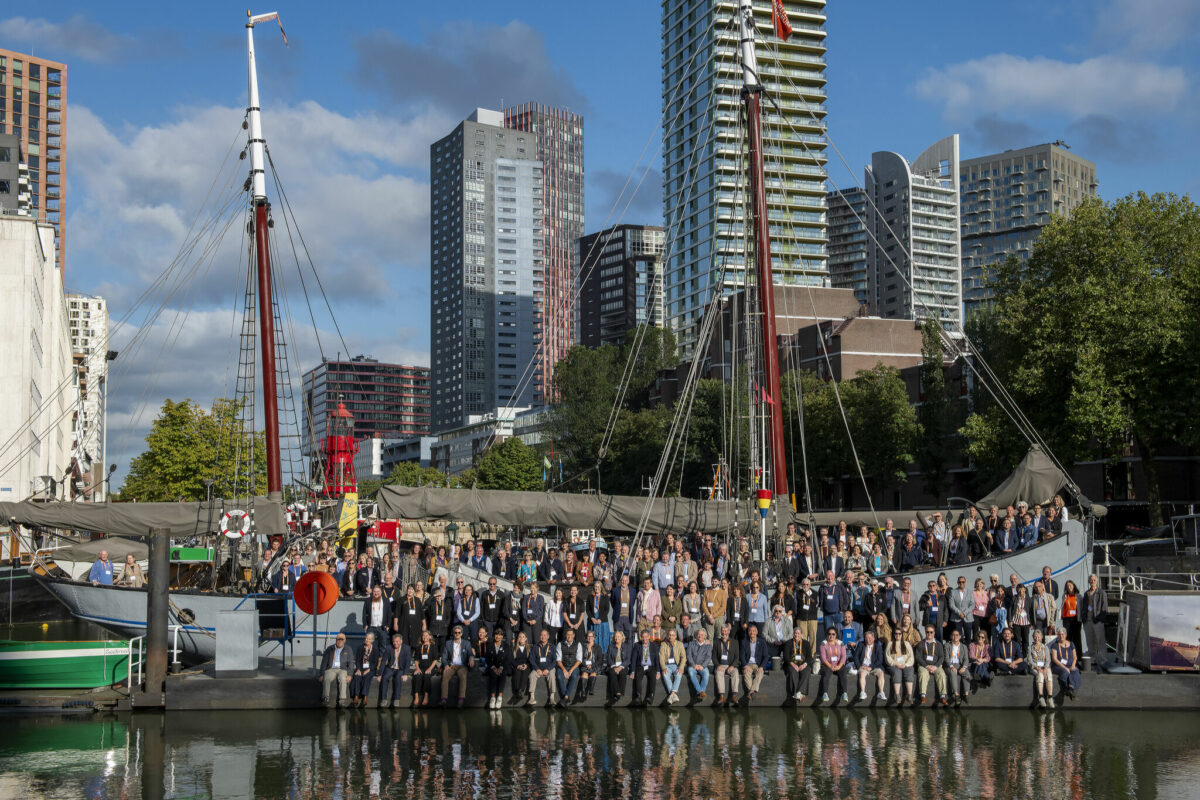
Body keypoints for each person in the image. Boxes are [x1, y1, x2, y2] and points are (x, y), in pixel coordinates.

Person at [439, 625, 474, 708]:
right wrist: (446, 665)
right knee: (445, 675)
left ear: (461, 634)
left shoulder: (466, 643)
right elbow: (444, 657)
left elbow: (470, 654)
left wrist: (471, 658)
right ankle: (444, 699)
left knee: (462, 675)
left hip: (462, 665)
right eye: (455, 632)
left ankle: (461, 699)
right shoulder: (448, 643)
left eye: (459, 632)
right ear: (453, 633)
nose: (457, 634)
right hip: (452, 665)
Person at [319, 632, 355, 708]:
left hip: (343, 669)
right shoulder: (329, 649)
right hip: (331, 668)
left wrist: (350, 674)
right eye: (338, 639)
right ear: (336, 640)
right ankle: (325, 698)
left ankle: (342, 699)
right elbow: (324, 662)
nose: (340, 640)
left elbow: (351, 663)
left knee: (342, 678)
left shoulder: (348, 649)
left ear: (345, 640)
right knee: (326, 678)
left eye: (342, 639)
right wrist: (321, 674)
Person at [915, 625, 948, 706]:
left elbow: (941, 657)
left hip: (936, 666)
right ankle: (923, 695)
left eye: (931, 632)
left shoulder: (938, 644)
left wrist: (935, 666)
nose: (929, 634)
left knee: (941, 674)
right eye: (927, 632)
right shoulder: (921, 644)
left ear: (934, 633)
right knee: (923, 674)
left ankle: (942, 696)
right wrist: (926, 666)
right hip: (924, 666)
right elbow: (918, 657)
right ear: (925, 632)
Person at [1081, 574, 1108, 670]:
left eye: (1094, 580)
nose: (1092, 582)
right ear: (1089, 581)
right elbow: (1084, 607)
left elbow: (1104, 607)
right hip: (1087, 621)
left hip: (1097, 620)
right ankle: (1092, 657)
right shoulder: (1086, 593)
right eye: (1091, 580)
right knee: (1090, 640)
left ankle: (1103, 659)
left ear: (1097, 581)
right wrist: (1083, 618)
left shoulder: (1101, 593)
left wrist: (1100, 618)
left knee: (1100, 640)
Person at [817, 627, 850, 705]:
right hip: (827, 665)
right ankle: (825, 693)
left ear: (836, 635)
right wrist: (830, 666)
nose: (831, 636)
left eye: (833, 634)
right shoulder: (823, 644)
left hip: (838, 664)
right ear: (827, 635)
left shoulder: (840, 643)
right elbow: (823, 658)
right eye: (829, 634)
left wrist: (838, 666)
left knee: (843, 672)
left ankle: (844, 693)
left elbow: (844, 657)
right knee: (826, 675)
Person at [378, 632, 412, 708]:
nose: (395, 643)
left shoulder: (406, 648)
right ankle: (383, 699)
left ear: (401, 641)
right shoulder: (389, 648)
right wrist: (380, 674)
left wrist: (405, 674)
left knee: (397, 679)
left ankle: (396, 699)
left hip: (400, 668)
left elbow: (408, 662)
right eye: (394, 641)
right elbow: (383, 661)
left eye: (397, 641)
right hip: (390, 668)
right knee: (385, 678)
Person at [349, 632, 382, 707]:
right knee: (357, 677)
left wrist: (369, 669)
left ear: (372, 640)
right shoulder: (360, 648)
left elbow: (375, 662)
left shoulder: (375, 649)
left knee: (367, 677)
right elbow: (357, 660)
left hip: (370, 669)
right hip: (361, 668)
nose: (367, 640)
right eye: (366, 638)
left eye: (369, 639)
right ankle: (356, 696)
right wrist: (358, 669)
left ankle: (365, 696)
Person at [712, 623, 741, 706]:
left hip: (730, 665)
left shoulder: (735, 642)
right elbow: (713, 656)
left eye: (725, 631)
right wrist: (717, 665)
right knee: (718, 673)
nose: (724, 632)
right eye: (722, 631)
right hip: (720, 665)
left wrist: (732, 666)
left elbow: (737, 657)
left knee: (735, 673)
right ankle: (721, 695)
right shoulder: (717, 642)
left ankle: (734, 695)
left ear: (728, 631)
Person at [782, 627, 813, 703]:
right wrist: (792, 664)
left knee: (806, 671)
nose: (797, 635)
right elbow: (785, 656)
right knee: (792, 672)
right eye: (795, 633)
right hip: (792, 664)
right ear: (793, 634)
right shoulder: (788, 643)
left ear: (801, 634)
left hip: (803, 664)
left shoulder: (806, 643)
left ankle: (798, 692)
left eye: (798, 633)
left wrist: (805, 664)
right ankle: (797, 693)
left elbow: (810, 657)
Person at [1050, 626, 1082, 700]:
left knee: (1076, 671)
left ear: (1066, 635)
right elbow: (1054, 659)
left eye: (1063, 634)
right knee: (1065, 672)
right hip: (1058, 666)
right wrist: (1065, 668)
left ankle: (1071, 689)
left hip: (1070, 665)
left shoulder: (1071, 644)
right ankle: (1069, 689)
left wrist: (1073, 665)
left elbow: (1075, 657)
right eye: (1059, 634)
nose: (1061, 636)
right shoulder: (1055, 645)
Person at [554, 627, 584, 707]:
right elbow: (558, 660)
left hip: (573, 666)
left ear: (574, 635)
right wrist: (564, 670)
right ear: (565, 635)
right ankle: (566, 698)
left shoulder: (578, 644)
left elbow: (579, 660)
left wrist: (570, 670)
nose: (569, 636)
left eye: (571, 634)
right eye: (568, 634)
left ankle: (565, 697)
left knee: (574, 676)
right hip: (562, 666)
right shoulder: (560, 644)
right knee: (559, 676)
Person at [631, 629, 661, 707]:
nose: (645, 639)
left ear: (649, 637)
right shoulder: (637, 645)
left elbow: (657, 659)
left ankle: (650, 696)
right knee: (637, 676)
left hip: (651, 666)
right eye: (643, 637)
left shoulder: (654, 646)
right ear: (641, 637)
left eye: (646, 637)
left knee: (652, 677)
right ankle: (638, 696)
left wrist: (658, 671)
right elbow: (633, 659)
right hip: (641, 666)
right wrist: (633, 671)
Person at [658, 628, 687, 705]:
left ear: (675, 636)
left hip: (676, 665)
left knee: (679, 674)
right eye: (669, 635)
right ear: (667, 636)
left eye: (672, 635)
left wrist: (681, 668)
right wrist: (663, 668)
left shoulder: (680, 644)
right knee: (665, 674)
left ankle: (672, 694)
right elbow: (661, 658)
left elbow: (684, 657)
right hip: (667, 665)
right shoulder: (663, 644)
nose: (671, 637)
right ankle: (674, 694)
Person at [942, 629, 970, 706]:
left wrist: (964, 667)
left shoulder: (964, 646)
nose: (955, 637)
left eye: (957, 635)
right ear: (951, 636)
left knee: (967, 673)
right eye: (953, 635)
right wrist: (951, 666)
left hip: (960, 665)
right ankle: (956, 695)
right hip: (949, 665)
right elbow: (946, 658)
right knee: (953, 672)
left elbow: (966, 659)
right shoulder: (947, 645)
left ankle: (966, 695)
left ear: (960, 637)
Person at [1028, 629, 1055, 708]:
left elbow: (1048, 659)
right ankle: (1041, 696)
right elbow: (1029, 660)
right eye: (1035, 637)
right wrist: (1037, 667)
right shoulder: (1030, 647)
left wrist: (1046, 668)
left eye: (1038, 637)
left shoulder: (1045, 647)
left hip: (1044, 666)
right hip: (1035, 667)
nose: (1037, 639)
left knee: (1049, 675)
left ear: (1041, 638)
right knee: (1040, 675)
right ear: (1033, 637)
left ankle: (1050, 697)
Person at [886, 633, 914, 706]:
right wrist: (895, 663)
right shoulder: (890, 644)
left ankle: (909, 695)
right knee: (897, 672)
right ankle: (897, 695)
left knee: (910, 671)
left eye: (899, 634)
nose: (898, 635)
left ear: (902, 635)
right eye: (896, 634)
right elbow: (887, 657)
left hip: (905, 664)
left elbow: (911, 657)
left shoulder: (906, 644)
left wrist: (906, 664)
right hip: (895, 664)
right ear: (894, 635)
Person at [604, 630, 631, 707]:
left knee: (623, 673)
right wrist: (613, 666)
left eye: (618, 636)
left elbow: (628, 659)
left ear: (622, 637)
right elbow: (608, 658)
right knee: (612, 673)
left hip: (623, 666)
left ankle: (619, 693)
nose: (616, 638)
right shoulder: (611, 646)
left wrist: (621, 667)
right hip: (613, 666)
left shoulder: (626, 646)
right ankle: (618, 692)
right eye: (615, 636)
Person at [740, 625, 767, 702]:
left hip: (757, 664)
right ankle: (752, 692)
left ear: (757, 632)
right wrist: (745, 665)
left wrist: (761, 667)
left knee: (760, 672)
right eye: (750, 631)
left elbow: (765, 656)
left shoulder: (762, 642)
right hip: (748, 664)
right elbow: (741, 656)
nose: (752, 632)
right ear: (748, 632)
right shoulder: (744, 642)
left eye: (754, 631)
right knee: (746, 673)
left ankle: (750, 692)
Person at [412, 631, 439, 708]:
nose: (425, 637)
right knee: (417, 676)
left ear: (430, 637)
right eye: (423, 636)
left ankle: (426, 695)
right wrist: (417, 668)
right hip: (421, 667)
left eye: (426, 635)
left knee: (427, 676)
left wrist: (430, 668)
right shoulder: (419, 647)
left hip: (431, 667)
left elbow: (435, 660)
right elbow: (416, 659)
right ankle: (416, 695)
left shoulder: (433, 646)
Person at [578, 629, 606, 702]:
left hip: (594, 666)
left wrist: (592, 665)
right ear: (586, 637)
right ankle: (583, 692)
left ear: (594, 637)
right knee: (584, 674)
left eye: (591, 636)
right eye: (588, 636)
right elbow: (580, 658)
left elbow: (600, 660)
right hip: (585, 666)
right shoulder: (583, 646)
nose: (589, 638)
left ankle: (591, 689)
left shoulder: (598, 647)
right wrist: (585, 664)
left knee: (593, 673)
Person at [587, 580, 612, 653]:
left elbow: (607, 609)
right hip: (592, 622)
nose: (596, 588)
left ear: (601, 588)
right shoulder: (590, 597)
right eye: (595, 586)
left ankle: (603, 655)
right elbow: (587, 609)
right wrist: (592, 618)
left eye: (598, 586)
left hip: (602, 622)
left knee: (603, 639)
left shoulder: (605, 597)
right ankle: (592, 655)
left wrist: (600, 619)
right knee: (593, 639)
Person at [1059, 579, 1083, 654]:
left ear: (1073, 586)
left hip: (1075, 618)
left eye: (1070, 585)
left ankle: (1078, 655)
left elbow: (1081, 607)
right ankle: (1068, 654)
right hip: (1066, 618)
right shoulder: (1065, 596)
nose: (1069, 587)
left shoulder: (1078, 596)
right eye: (1067, 586)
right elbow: (1063, 606)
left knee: (1076, 637)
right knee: (1067, 636)